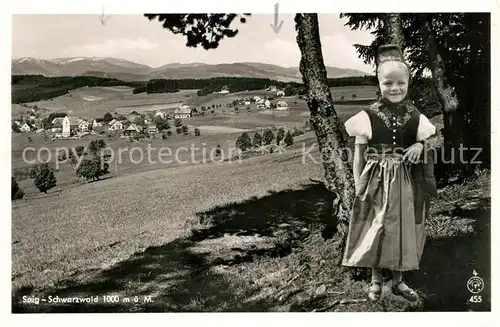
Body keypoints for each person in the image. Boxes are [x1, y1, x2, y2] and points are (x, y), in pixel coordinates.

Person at [341, 44, 437, 302]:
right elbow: (359, 156)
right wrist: (359, 185)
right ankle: (375, 279)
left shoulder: (415, 116)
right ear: (379, 84)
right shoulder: (367, 116)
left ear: (408, 84)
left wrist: (420, 144)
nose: (394, 89)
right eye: (388, 83)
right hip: (375, 180)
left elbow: (434, 139)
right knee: (376, 226)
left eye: (400, 84)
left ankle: (398, 280)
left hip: (405, 182)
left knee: (401, 227)